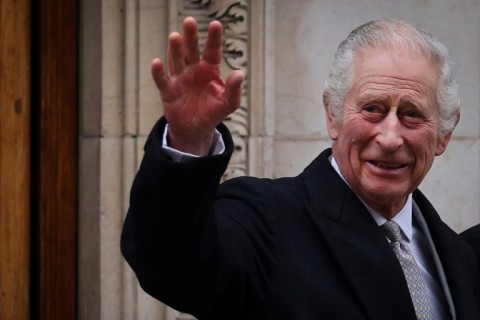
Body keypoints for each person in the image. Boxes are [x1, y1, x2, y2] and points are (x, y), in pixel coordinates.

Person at [121, 16, 480, 319]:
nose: (389, 137)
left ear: (443, 135)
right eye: (372, 108)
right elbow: (172, 265)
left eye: (412, 114)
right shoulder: (263, 221)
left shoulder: (460, 258)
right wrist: (188, 143)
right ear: (333, 116)